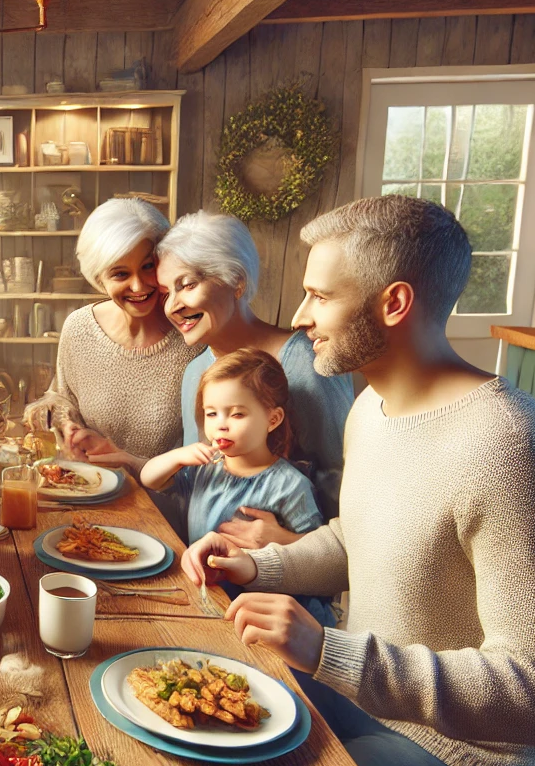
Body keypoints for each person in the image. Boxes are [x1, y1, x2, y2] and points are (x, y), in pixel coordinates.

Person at [182, 195, 535, 766]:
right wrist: (263, 565)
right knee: (195, 723)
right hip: (368, 712)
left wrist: (331, 652)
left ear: (393, 304)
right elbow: (361, 539)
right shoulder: (374, 407)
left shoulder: (514, 451)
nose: (299, 316)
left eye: (321, 296)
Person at [158, 211, 356, 545]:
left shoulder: (309, 363)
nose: (172, 306)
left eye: (188, 284)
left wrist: (287, 542)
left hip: (289, 582)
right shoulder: (195, 373)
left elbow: (344, 490)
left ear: (237, 281)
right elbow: (193, 479)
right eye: (165, 292)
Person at [35, 197, 202, 501]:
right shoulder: (79, 328)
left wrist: (128, 460)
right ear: (99, 277)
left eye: (148, 266)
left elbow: (209, 460)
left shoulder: (192, 339)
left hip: (164, 514)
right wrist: (68, 425)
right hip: (85, 499)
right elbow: (61, 399)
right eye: (121, 274)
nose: (139, 287)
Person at [141, 347, 322, 547]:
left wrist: (283, 540)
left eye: (237, 414)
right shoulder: (205, 467)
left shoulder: (290, 486)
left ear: (273, 419)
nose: (221, 425)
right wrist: (176, 457)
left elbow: (315, 551)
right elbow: (150, 480)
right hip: (195, 575)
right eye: (211, 414)